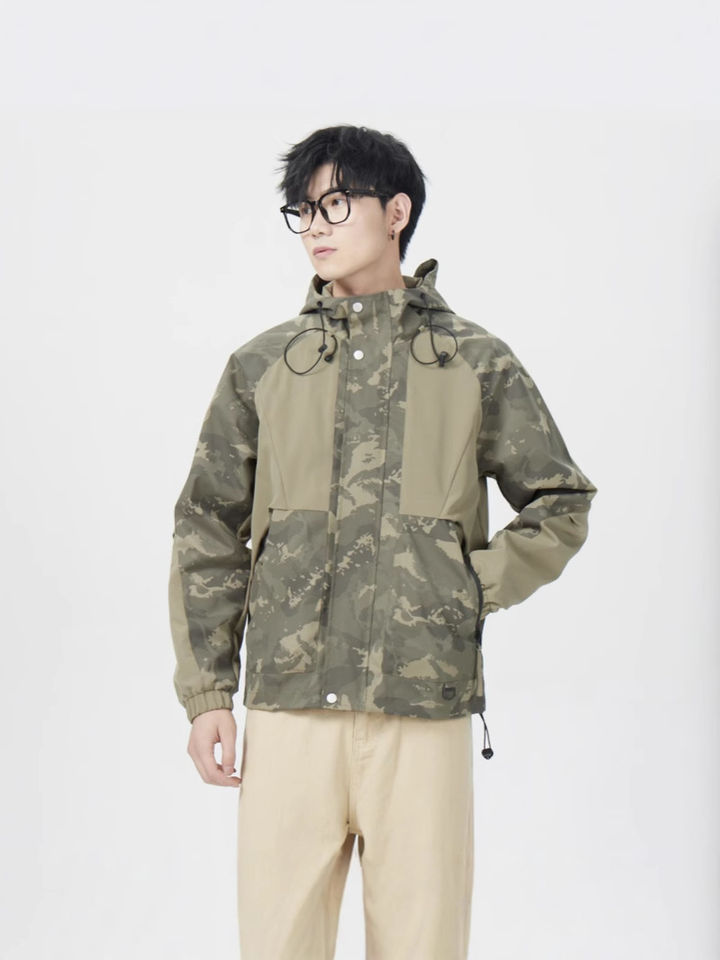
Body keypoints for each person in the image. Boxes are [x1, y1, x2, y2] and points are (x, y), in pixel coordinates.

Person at [168, 123, 597, 959]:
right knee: (277, 945)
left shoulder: (473, 362)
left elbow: (561, 500)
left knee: (423, 945)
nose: (315, 226)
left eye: (335, 203)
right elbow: (208, 525)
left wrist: (467, 586)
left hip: (421, 710)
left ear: (396, 212)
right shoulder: (263, 366)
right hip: (290, 707)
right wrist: (208, 693)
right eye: (302, 210)